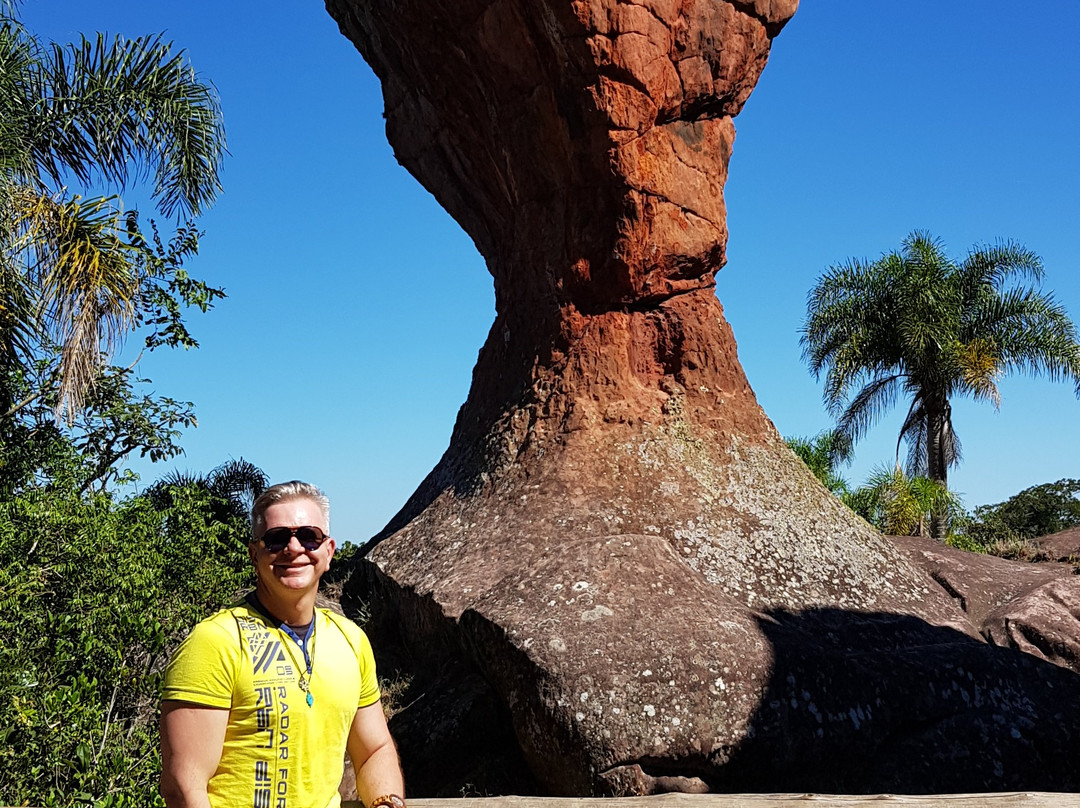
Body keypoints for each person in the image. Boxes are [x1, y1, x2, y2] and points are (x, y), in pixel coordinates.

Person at [159, 481, 404, 808]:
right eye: (276, 538)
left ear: (328, 551)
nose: (293, 547)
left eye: (308, 536)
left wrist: (386, 802)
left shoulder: (350, 640)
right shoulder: (215, 642)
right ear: (254, 553)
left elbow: (375, 749)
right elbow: (183, 787)